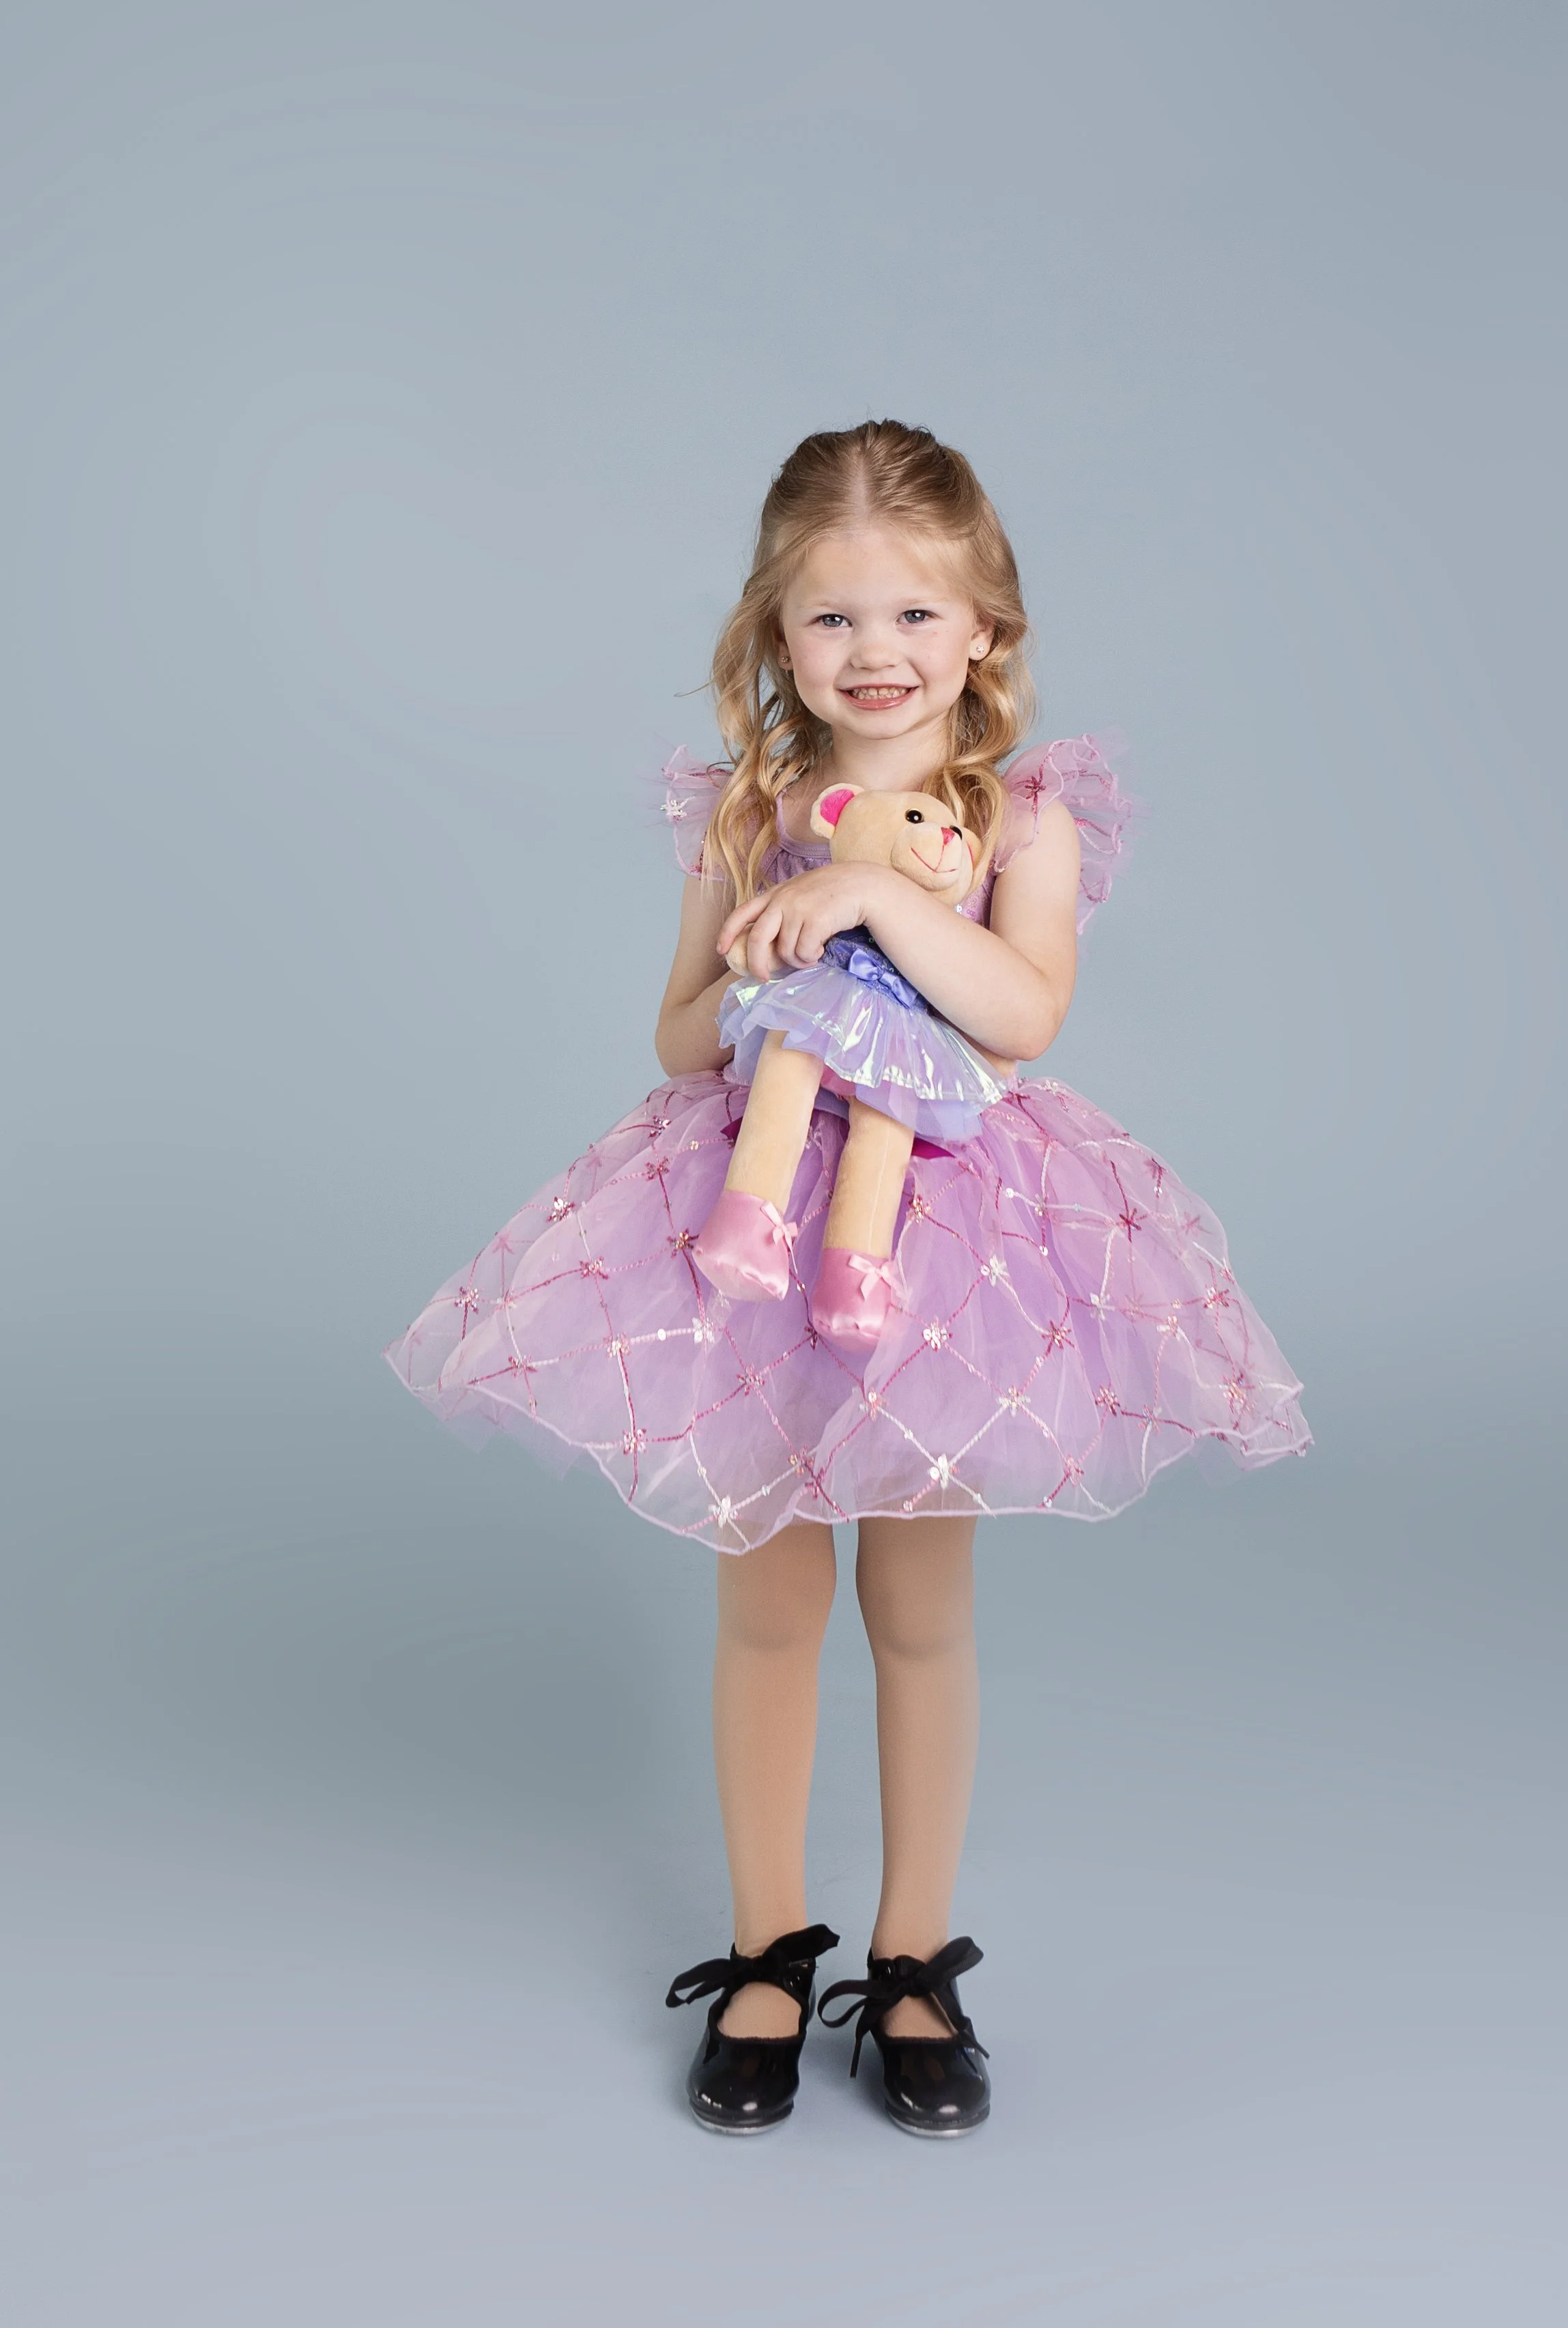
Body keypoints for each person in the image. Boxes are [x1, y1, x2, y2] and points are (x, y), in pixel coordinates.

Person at [386, 420, 1311, 2139]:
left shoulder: (1020, 818)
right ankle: (764, 1947)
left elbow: (1022, 1014)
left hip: (941, 1237)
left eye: (912, 616)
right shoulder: (746, 810)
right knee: (765, 1600)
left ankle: (909, 1961)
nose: (872, 652)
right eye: (829, 618)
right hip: (751, 1217)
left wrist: (879, 889)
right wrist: (763, 968)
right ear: (775, 633)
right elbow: (675, 1035)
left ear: (983, 632)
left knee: (918, 1607)